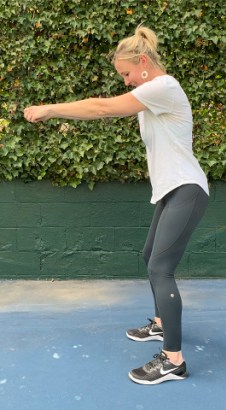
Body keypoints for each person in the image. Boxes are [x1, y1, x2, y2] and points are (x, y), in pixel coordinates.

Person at [24, 25, 208, 384]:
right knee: (148, 256)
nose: (125, 81)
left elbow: (102, 108)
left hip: (188, 188)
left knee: (160, 268)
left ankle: (173, 360)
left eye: (125, 73)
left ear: (143, 62)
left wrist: (52, 109)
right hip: (172, 189)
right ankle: (159, 324)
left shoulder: (164, 86)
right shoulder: (151, 95)